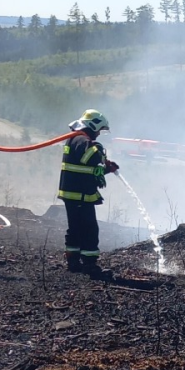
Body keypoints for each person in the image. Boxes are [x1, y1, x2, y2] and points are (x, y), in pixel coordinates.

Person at [59, 110, 119, 272]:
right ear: (93, 126)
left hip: (76, 193)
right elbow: (90, 157)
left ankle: (73, 262)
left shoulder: (76, 139)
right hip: (79, 194)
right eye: (99, 130)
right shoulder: (80, 139)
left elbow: (86, 168)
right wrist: (99, 151)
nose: (99, 134)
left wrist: (105, 169)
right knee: (89, 228)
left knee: (76, 228)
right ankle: (89, 264)